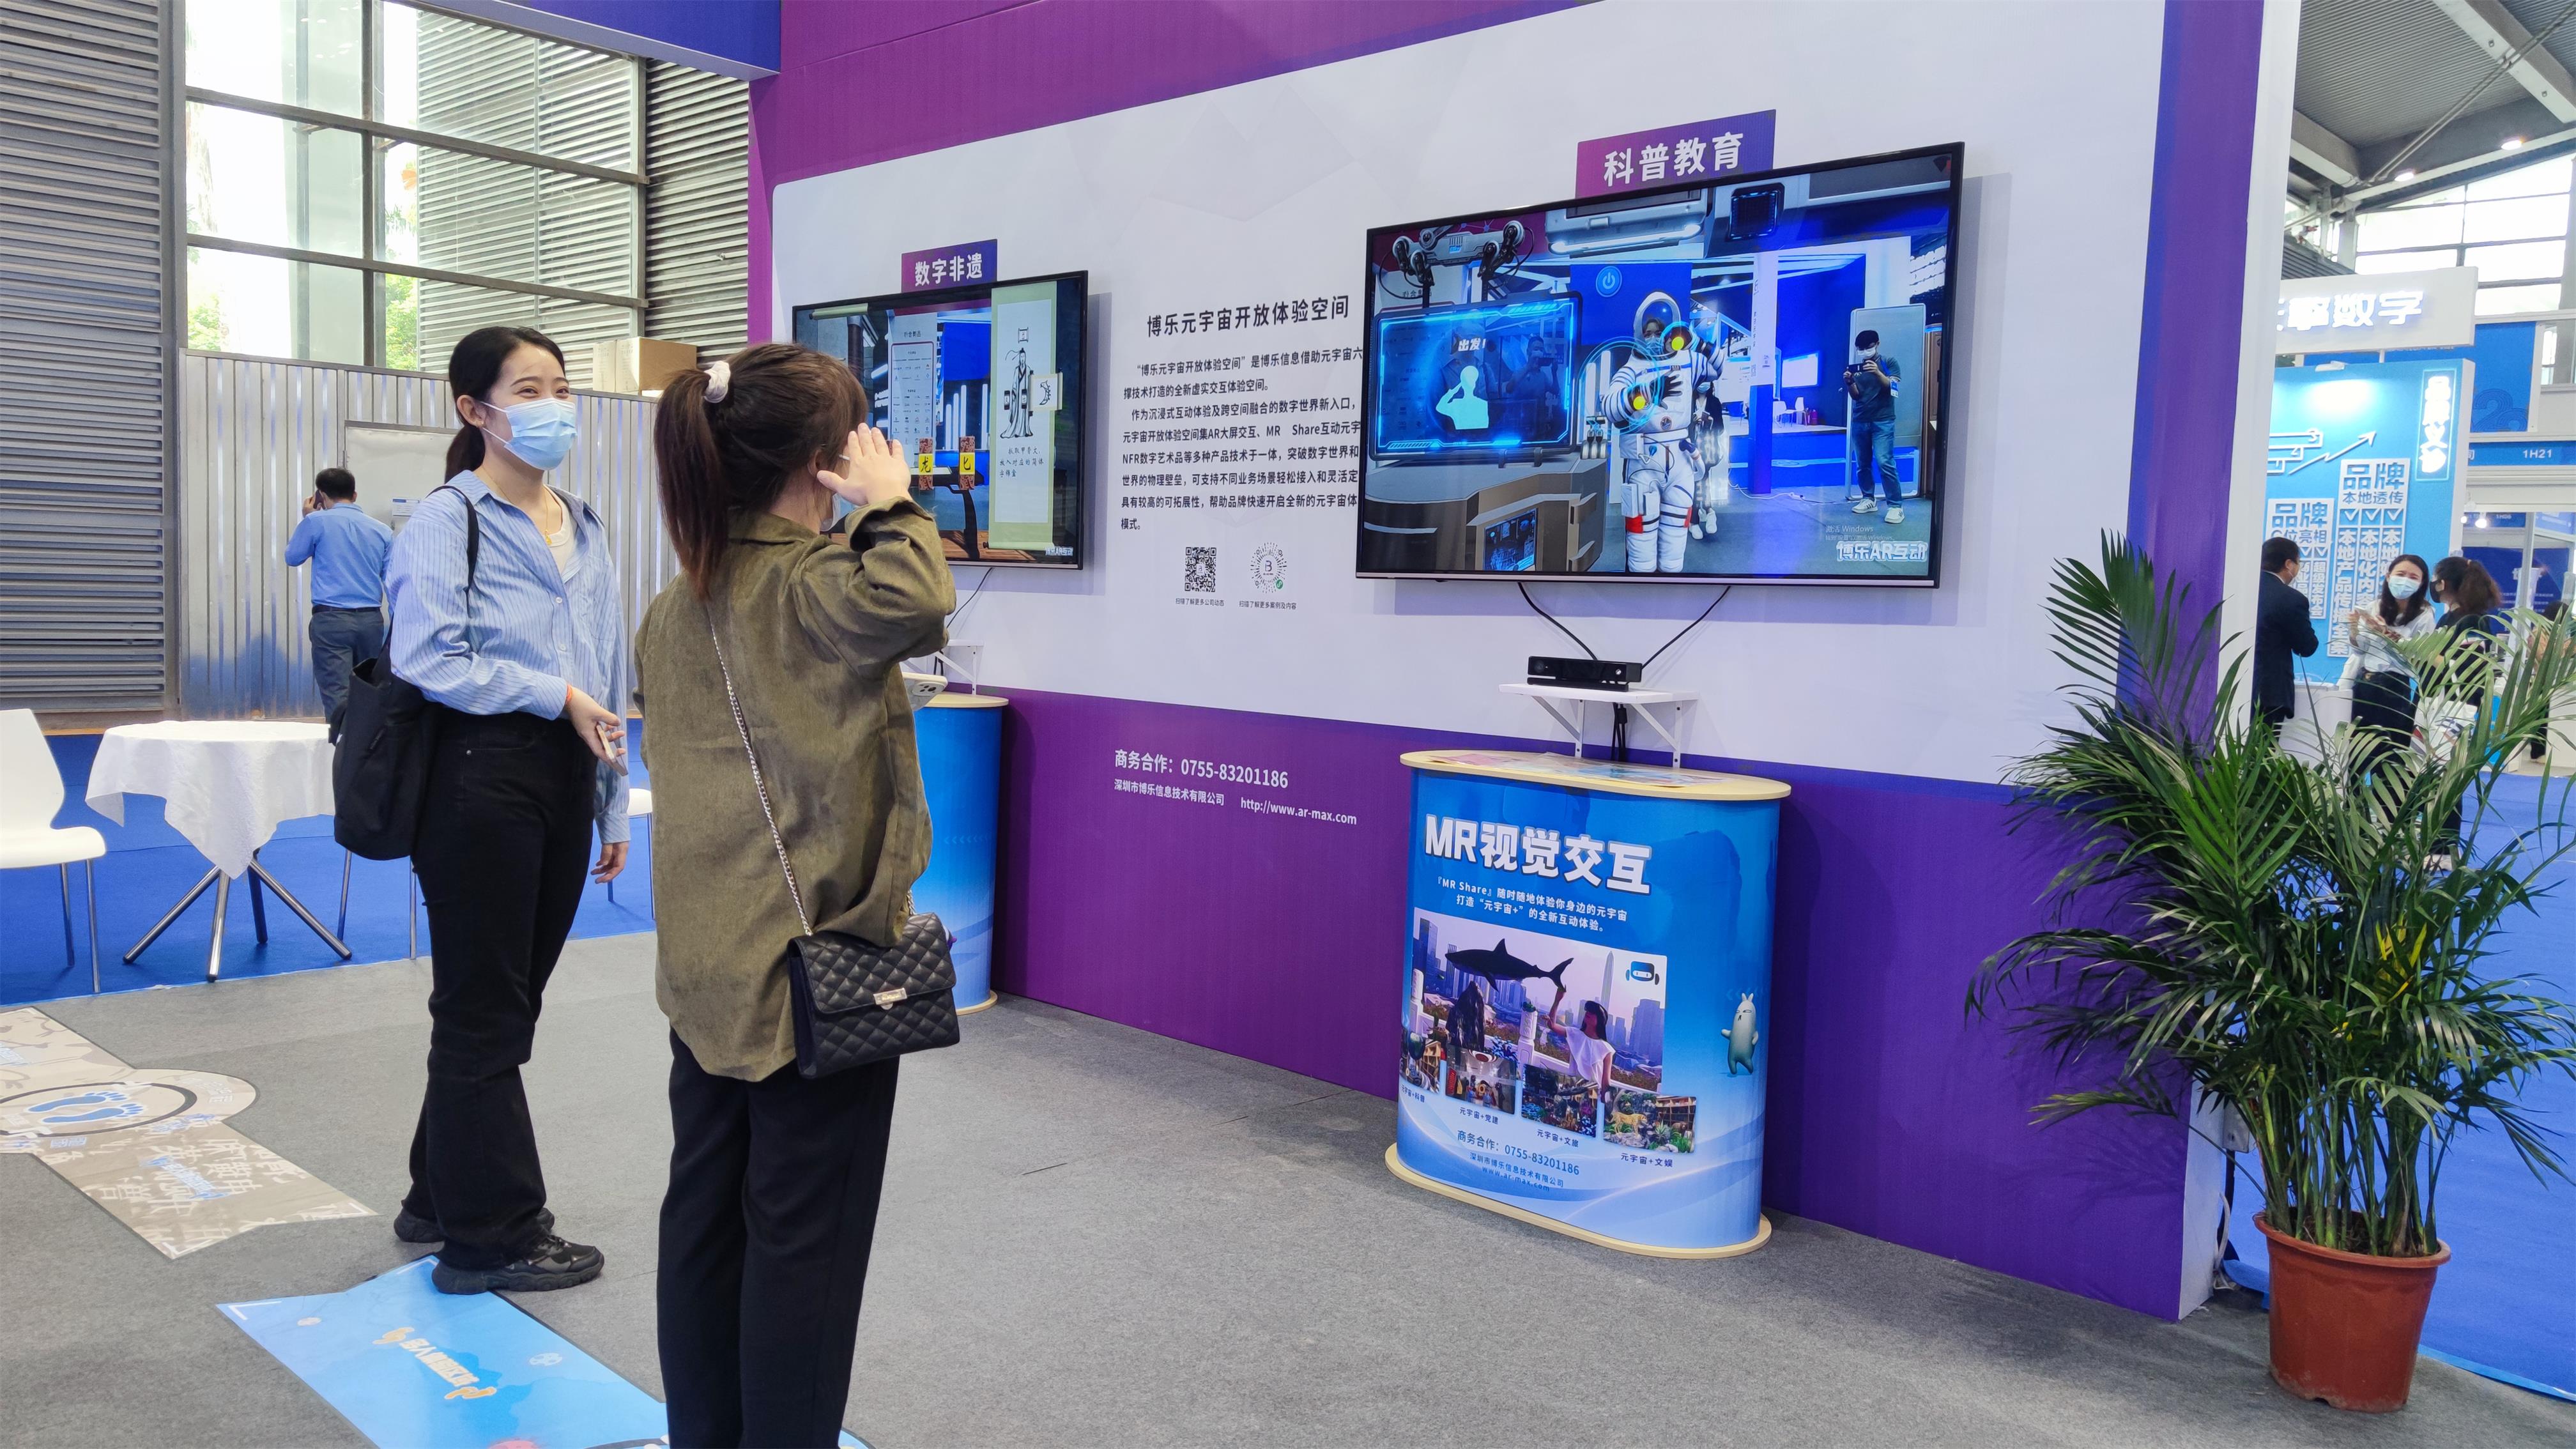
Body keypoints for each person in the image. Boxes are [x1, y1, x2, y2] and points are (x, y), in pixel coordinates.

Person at [634, 342, 953, 1448]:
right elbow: (917, 598)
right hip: (817, 970)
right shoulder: (818, 584)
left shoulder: (676, 604)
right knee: (804, 1244)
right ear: (827, 458)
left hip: (708, 971)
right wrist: (891, 502)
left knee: (704, 1218)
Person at [386, 325, 630, 1295]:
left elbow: (605, 672)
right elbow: (427, 657)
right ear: (474, 409)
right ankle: (491, 1237)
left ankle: (435, 1197)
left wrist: (612, 804)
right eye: (528, 389)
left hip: (565, 776)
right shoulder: (447, 520)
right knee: (484, 1009)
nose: (553, 406)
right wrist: (550, 695)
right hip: (479, 778)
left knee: (504, 1004)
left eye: (561, 387)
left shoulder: (586, 523)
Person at [283, 465, 393, 737]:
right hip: (371, 620)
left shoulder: (316, 523)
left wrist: (308, 517)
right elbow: (392, 579)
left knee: (338, 694)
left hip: (331, 620)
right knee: (370, 690)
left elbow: (293, 557)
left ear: (320, 496)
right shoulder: (381, 530)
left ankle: (344, 751)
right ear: (355, 495)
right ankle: (370, 749)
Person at [2345, 553, 2435, 773]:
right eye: (2400, 574)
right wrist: (2354, 628)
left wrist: (2385, 632)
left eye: (2413, 577)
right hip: (2365, 683)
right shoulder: (2374, 607)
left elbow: (2418, 654)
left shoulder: (2424, 614)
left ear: (2422, 583)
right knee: (2356, 752)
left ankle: (2386, 794)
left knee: (2389, 754)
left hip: (2395, 688)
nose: (2405, 581)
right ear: (2388, 577)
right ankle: (2353, 794)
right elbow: (2360, 650)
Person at [2253, 536, 2319, 730]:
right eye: (2298, 563)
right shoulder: (2291, 599)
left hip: (2233, 687)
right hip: (2269, 695)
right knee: (2262, 748)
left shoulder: (2241, 589)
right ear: (2289, 564)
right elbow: (2307, 647)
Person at [1844, 328, 1904, 524]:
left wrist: (1878, 372)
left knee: (1884, 461)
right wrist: (1850, 383)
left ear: (1877, 344)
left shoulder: (1889, 362)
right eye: (1860, 348)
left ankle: (1895, 506)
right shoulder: (1857, 368)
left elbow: (1893, 388)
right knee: (1862, 463)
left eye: (1868, 347)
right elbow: (1856, 396)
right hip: (1860, 420)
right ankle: (1868, 499)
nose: (1864, 351)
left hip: (1883, 420)